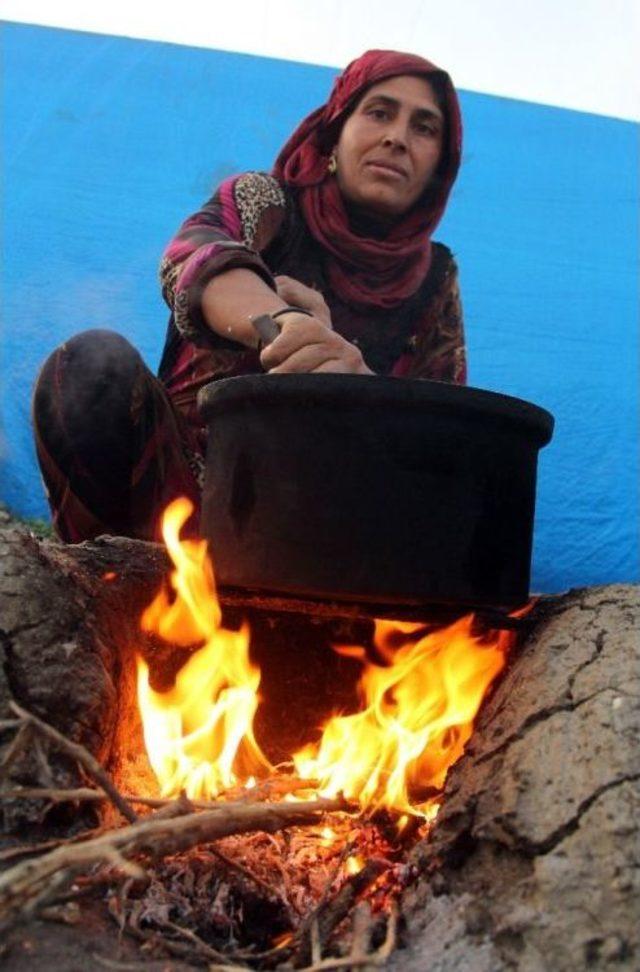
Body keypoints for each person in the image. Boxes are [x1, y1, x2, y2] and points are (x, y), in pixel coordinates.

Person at [32, 49, 465, 543]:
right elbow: (194, 258)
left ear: (439, 168)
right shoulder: (264, 201)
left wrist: (358, 386)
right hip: (178, 495)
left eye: (425, 128)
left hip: (325, 527)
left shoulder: (435, 277)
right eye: (379, 112)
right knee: (88, 368)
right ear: (334, 135)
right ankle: (106, 583)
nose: (397, 138)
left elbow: (439, 433)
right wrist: (282, 326)